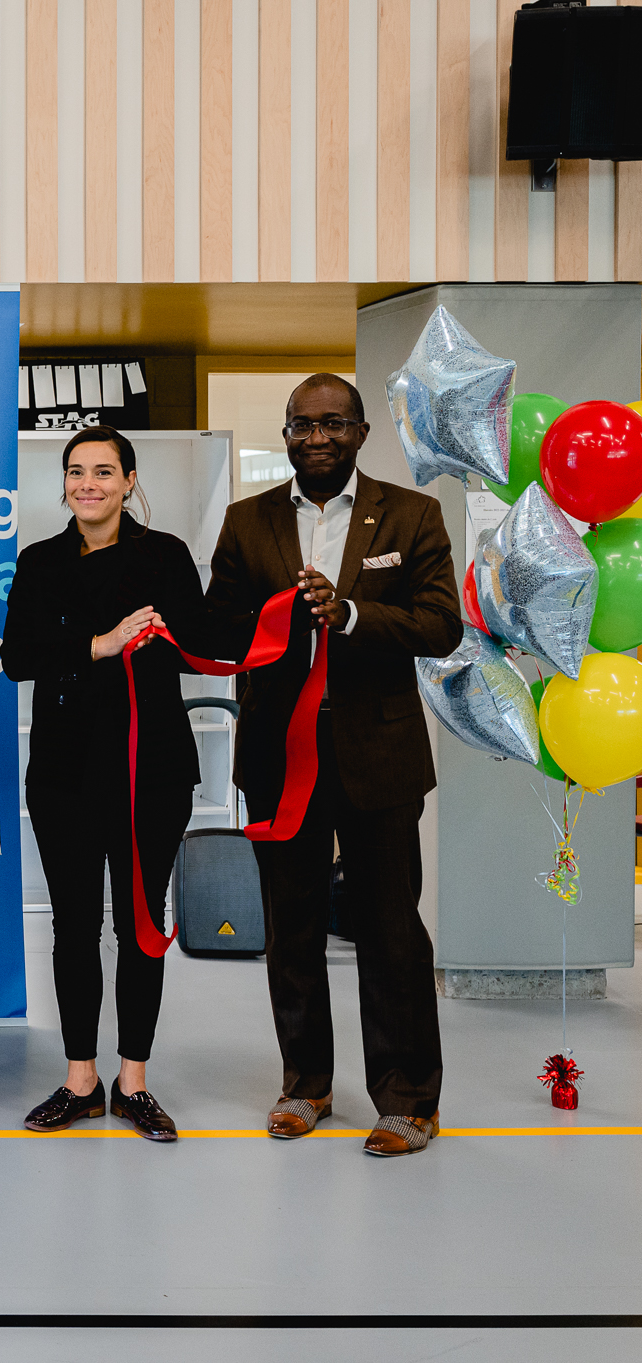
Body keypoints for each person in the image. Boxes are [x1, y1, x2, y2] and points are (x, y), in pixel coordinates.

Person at [205, 374, 461, 1156]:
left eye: (333, 423)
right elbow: (219, 627)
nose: (317, 436)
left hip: (379, 752)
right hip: (278, 757)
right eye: (302, 425)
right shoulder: (247, 520)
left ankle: (408, 1098)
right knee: (291, 929)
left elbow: (440, 625)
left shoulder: (411, 514)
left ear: (360, 433)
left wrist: (348, 614)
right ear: (286, 434)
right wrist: (272, 618)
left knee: (391, 930)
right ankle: (305, 1084)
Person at [1, 426, 209, 1142]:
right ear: (63, 484)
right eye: (76, 472)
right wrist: (101, 644)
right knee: (74, 925)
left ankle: (134, 1082)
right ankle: (81, 1079)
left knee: (140, 924)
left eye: (102, 471)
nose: (87, 483)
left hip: (153, 772)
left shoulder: (167, 555)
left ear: (128, 481)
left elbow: (200, 644)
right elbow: (17, 658)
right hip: (65, 772)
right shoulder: (39, 561)